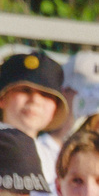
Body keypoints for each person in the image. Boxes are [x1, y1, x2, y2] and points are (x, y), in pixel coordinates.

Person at [0, 50, 71, 179]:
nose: (35, 100)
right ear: (2, 98)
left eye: (46, 95)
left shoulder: (56, 158)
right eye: (25, 90)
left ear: (55, 108)